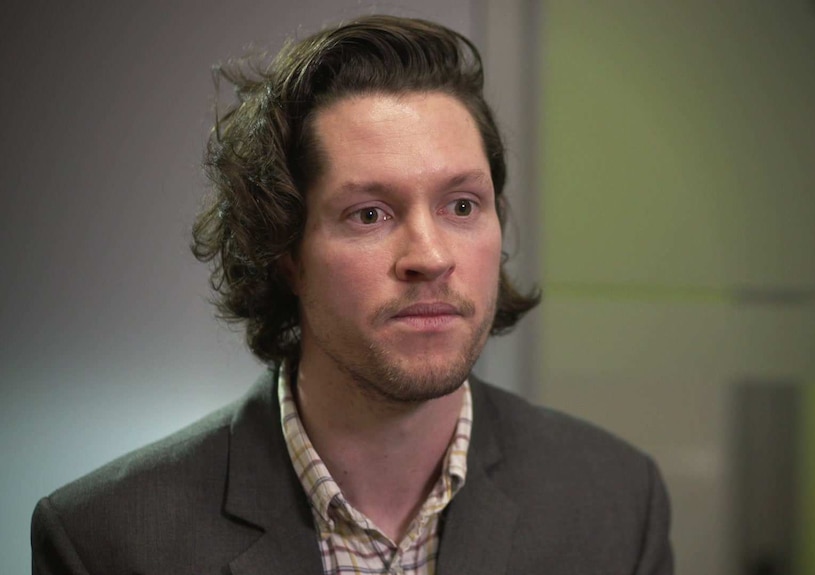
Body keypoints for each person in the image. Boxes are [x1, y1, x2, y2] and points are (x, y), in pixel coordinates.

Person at [31, 15, 673, 575]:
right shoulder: (106, 540)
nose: (430, 256)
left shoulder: (616, 502)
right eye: (370, 214)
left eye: (461, 205)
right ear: (284, 253)